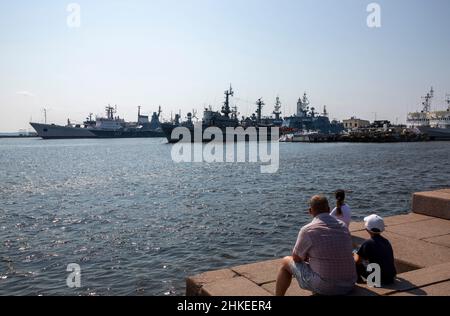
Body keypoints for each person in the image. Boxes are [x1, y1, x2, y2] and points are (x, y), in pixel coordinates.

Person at [275, 195, 357, 296]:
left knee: (285, 261)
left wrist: (306, 257)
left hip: (328, 287)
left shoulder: (307, 230)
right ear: (328, 209)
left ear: (310, 211)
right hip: (349, 284)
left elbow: (296, 258)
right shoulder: (343, 226)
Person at [354, 214, 397, 285]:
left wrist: (355, 255)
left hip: (376, 279)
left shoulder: (368, 243)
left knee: (355, 260)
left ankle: (359, 281)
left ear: (367, 229)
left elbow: (357, 261)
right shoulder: (386, 241)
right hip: (390, 277)